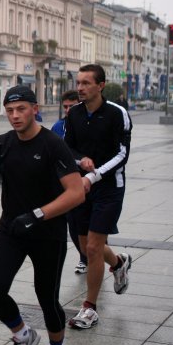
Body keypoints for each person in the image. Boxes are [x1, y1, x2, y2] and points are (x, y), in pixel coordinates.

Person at [0, 85, 84, 345]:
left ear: (35, 108)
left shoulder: (52, 145)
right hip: (11, 229)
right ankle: (22, 335)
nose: (15, 116)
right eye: (9, 111)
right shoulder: (2, 143)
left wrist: (38, 214)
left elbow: (76, 193)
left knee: (47, 297)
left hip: (48, 231)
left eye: (20, 109)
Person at [65, 64, 133, 330]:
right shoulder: (74, 114)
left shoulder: (118, 114)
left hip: (108, 188)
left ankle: (89, 308)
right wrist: (80, 160)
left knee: (93, 248)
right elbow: (67, 146)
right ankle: (118, 263)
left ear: (100, 85)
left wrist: (93, 175)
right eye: (78, 82)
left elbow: (122, 154)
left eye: (86, 83)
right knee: (86, 247)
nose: (80, 87)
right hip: (81, 187)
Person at [51, 89, 88, 275]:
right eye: (64, 106)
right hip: (64, 183)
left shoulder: (85, 125)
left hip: (85, 181)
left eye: (71, 106)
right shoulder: (58, 127)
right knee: (72, 223)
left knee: (89, 225)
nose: (67, 110)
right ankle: (84, 257)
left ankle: (93, 254)